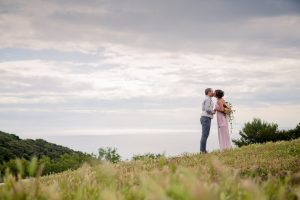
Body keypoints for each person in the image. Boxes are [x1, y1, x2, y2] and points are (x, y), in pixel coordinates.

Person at [200, 88, 215, 153]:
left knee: (205, 134)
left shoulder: (208, 99)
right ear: (209, 92)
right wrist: (213, 111)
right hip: (206, 118)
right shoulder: (208, 99)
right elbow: (206, 109)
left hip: (205, 117)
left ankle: (203, 150)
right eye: (212, 91)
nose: (213, 92)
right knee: (205, 135)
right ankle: (202, 151)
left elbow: (203, 108)